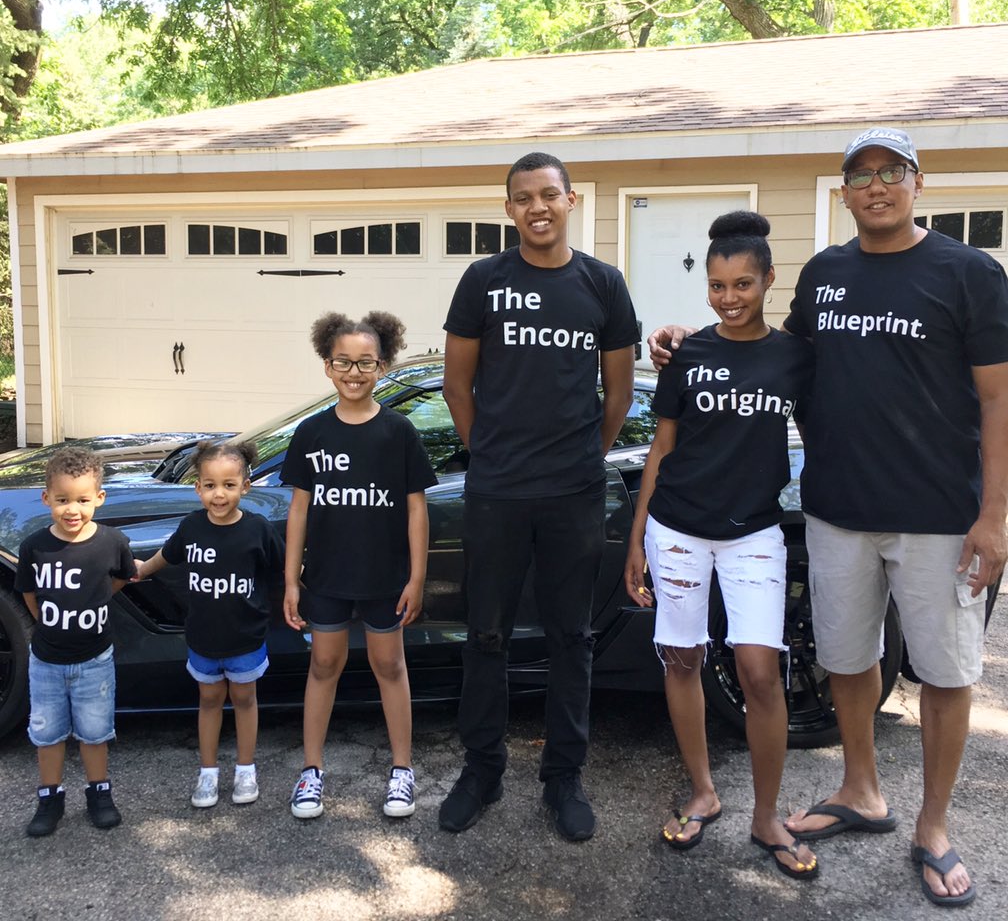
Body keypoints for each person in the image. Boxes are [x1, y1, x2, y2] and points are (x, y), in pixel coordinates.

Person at [649, 127, 1008, 907]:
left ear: (918, 182)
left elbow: (1001, 399)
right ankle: (861, 790)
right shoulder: (826, 274)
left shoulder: (969, 272)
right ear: (845, 192)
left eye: (891, 171)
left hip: (937, 515)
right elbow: (771, 349)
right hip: (836, 510)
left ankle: (934, 827)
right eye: (860, 175)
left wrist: (994, 516)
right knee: (849, 661)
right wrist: (689, 337)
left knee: (945, 673)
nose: (876, 186)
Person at [439, 151, 639, 841]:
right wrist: (490, 455)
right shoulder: (483, 280)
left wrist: (585, 456)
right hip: (497, 491)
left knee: (571, 637)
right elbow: (456, 386)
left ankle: (564, 778)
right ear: (509, 209)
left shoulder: (603, 284)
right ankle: (481, 771)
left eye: (549, 194)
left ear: (571, 200)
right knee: (485, 635)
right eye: (523, 198)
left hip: (574, 492)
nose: (537, 208)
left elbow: (618, 394)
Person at [625, 211, 817, 880]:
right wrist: (636, 540)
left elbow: (825, 431)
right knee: (682, 657)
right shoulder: (687, 353)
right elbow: (661, 449)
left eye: (742, 284)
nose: (729, 297)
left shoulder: (794, 356)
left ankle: (767, 817)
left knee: (760, 671)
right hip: (676, 528)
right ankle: (703, 791)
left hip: (753, 533)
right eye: (716, 285)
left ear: (768, 280)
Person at [281, 310, 437, 821]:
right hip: (326, 577)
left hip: (384, 577)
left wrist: (417, 577)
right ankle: (311, 770)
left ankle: (402, 770)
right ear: (327, 365)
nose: (354, 372)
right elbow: (299, 509)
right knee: (323, 666)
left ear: (383, 365)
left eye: (365, 362)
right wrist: (291, 579)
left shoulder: (398, 432)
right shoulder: (311, 432)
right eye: (343, 362)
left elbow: (416, 508)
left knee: (389, 666)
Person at [133, 440, 284, 809]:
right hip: (203, 638)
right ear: (198, 487)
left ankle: (245, 769)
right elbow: (167, 555)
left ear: (245, 487)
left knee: (245, 700)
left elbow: (285, 567)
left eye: (229, 485)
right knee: (209, 700)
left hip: (246, 638)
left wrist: (302, 587)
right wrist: (142, 570)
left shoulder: (258, 530)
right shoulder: (192, 527)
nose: (219, 494)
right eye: (211, 485)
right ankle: (208, 772)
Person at [14, 446, 136, 837]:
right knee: (47, 734)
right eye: (63, 499)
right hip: (46, 661)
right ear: (46, 498)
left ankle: (99, 793)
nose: (72, 510)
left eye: (83, 500)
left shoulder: (111, 542)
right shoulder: (35, 546)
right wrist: (46, 621)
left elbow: (121, 578)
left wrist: (96, 601)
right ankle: (50, 798)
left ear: (99, 498)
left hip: (94, 660)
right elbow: (28, 592)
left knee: (95, 732)